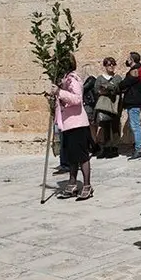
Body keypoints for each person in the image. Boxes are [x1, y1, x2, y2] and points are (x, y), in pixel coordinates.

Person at [51, 53, 95, 201]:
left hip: (77, 123)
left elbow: (77, 99)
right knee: (71, 157)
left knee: (81, 156)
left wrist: (60, 92)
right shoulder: (64, 80)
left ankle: (87, 185)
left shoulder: (73, 79)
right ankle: (72, 183)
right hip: (67, 124)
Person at [119, 51, 141, 160]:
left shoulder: (134, 71)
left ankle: (138, 149)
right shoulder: (139, 69)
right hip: (135, 101)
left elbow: (124, 84)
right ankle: (137, 145)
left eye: (128, 58)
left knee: (135, 126)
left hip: (134, 101)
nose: (127, 60)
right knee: (134, 125)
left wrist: (120, 86)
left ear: (132, 60)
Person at [94, 57, 122, 158]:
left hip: (115, 105)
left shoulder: (117, 77)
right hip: (104, 106)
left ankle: (114, 148)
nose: (111, 66)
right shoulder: (100, 78)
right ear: (105, 66)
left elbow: (117, 88)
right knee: (105, 127)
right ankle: (106, 148)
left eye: (113, 64)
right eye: (109, 64)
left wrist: (106, 87)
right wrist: (110, 88)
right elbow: (97, 90)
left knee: (115, 127)